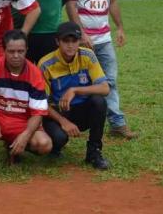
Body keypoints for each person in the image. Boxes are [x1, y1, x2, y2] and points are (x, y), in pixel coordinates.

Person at [66, 0, 135, 139]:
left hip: (104, 39)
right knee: (81, 81)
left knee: (110, 81)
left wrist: (120, 27)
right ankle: (77, 120)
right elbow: (71, 5)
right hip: (82, 41)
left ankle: (117, 123)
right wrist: (81, 34)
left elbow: (112, 1)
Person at [0, 30, 53, 183]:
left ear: (27, 50)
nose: (16, 55)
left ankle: (13, 148)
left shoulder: (35, 74)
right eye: (11, 51)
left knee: (44, 145)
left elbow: (38, 114)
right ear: (4, 51)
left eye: (20, 51)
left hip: (21, 121)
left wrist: (25, 135)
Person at [38, 22, 111, 170]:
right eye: (66, 41)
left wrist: (75, 90)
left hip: (82, 111)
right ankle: (55, 146)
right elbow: (42, 104)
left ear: (79, 41)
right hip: (58, 113)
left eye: (74, 41)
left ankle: (93, 152)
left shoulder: (88, 55)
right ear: (57, 41)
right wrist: (63, 121)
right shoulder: (45, 64)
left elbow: (105, 88)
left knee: (99, 102)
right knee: (59, 138)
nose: (70, 45)